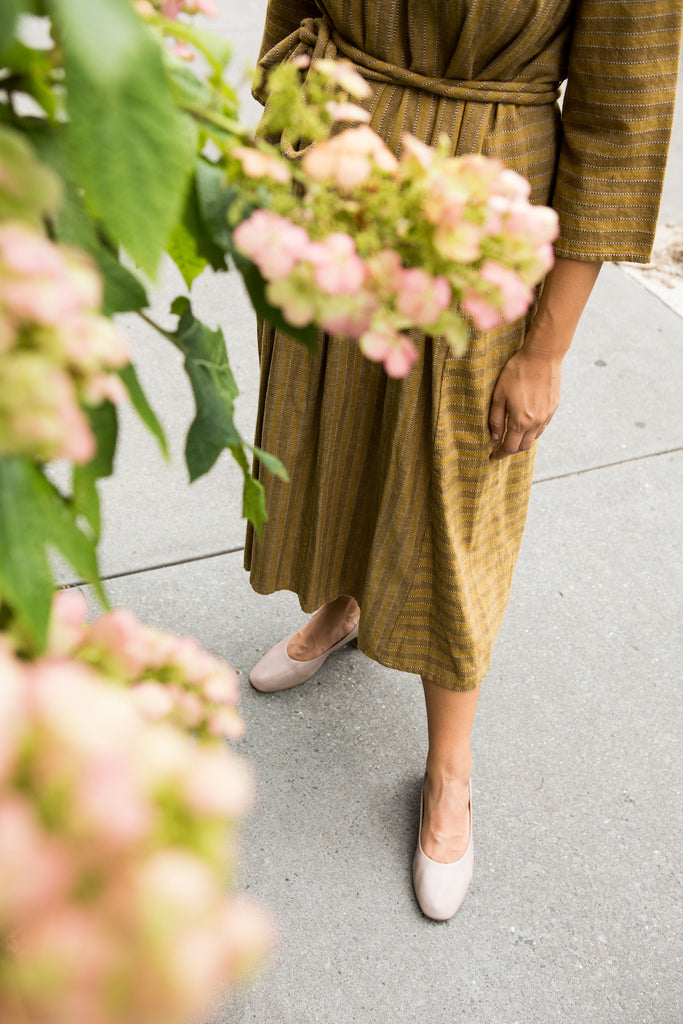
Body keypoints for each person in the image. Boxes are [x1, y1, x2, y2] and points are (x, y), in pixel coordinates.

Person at [244, 0, 682, 920]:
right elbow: (295, 13)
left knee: (458, 490)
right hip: (337, 177)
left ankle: (450, 771)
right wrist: (295, 120)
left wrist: (547, 348)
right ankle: (346, 602)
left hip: (488, 201)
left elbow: (621, 121)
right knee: (333, 429)